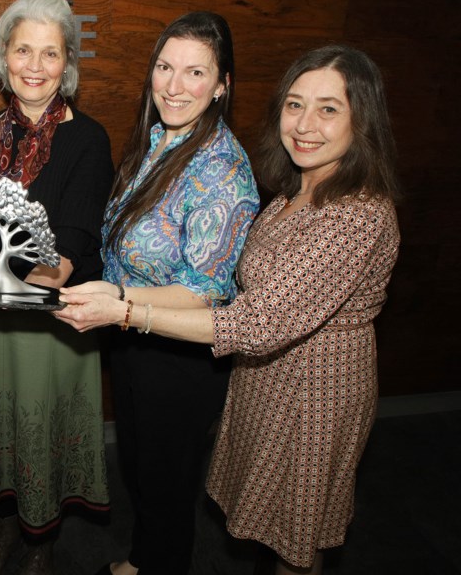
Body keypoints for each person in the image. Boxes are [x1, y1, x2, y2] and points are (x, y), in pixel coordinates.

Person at [57, 45, 401, 575]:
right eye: (294, 105)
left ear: (363, 118)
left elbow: (256, 320)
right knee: (265, 523)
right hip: (263, 378)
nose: (305, 124)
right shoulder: (293, 190)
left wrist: (127, 311)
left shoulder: (358, 214)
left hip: (317, 392)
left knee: (295, 540)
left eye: (329, 109)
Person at [58, 11, 261, 575]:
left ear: (222, 85)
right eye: (165, 67)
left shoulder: (222, 170)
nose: (174, 86)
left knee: (168, 483)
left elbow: (205, 293)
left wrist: (120, 304)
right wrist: (112, 293)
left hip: (180, 356)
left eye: (195, 72)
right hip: (133, 337)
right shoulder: (162, 140)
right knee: (143, 470)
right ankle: (144, 559)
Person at [0, 0, 114, 575]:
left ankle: (42, 539)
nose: (35, 65)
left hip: (53, 324)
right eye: (23, 49)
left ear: (69, 63)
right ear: (2, 57)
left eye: (51, 53)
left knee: (41, 428)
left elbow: (67, 253)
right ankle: (8, 526)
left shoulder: (87, 139)